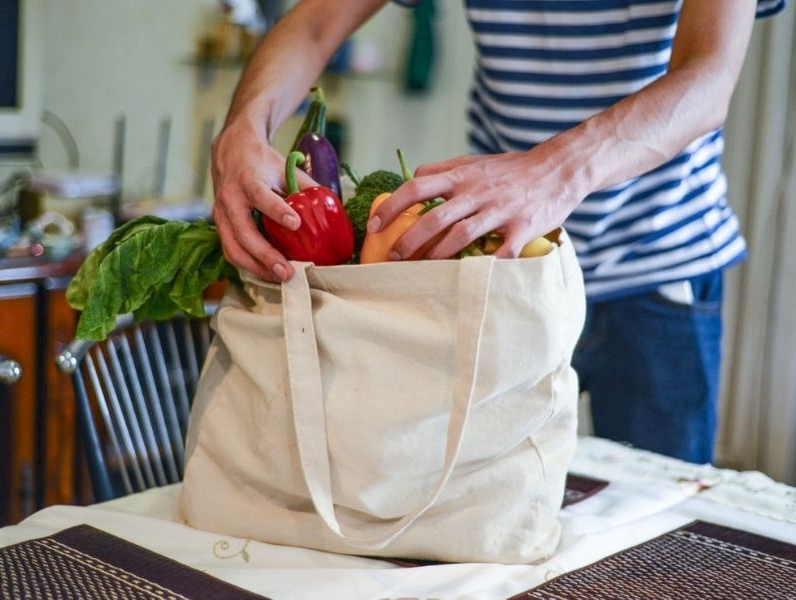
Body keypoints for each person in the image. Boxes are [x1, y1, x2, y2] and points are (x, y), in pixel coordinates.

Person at [210, 0, 786, 464]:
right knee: (476, 518)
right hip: (496, 269)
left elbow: (708, 74)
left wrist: (553, 171)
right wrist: (242, 127)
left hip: (658, 267)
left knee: (660, 539)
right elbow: (315, 22)